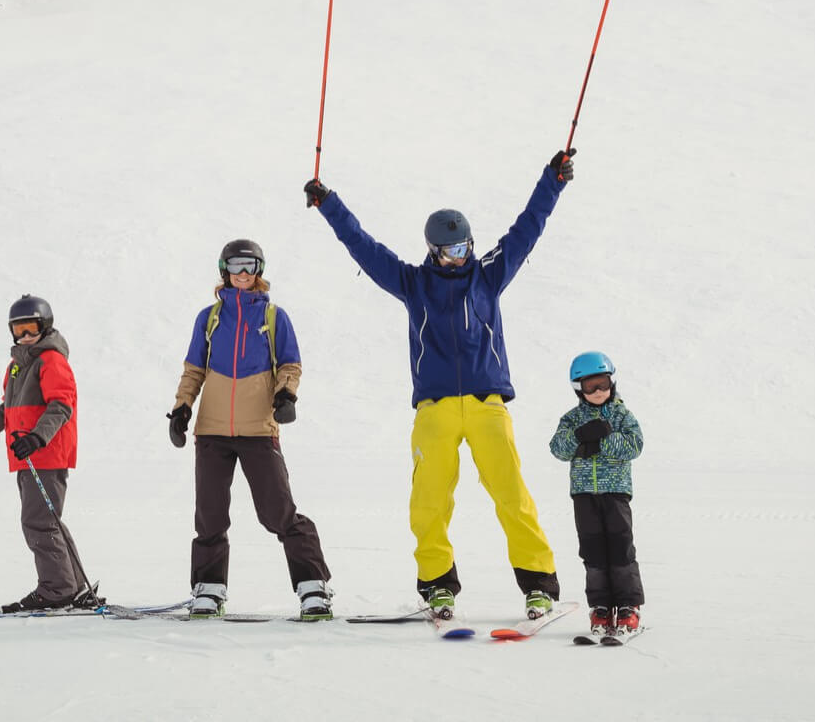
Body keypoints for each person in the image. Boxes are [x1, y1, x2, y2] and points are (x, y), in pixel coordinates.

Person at [303, 148, 575, 620]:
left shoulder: (489, 276)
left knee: (512, 495)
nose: (459, 256)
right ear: (433, 250)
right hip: (435, 410)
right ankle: (437, 586)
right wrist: (329, 204)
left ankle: (538, 584)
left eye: (465, 247)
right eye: (451, 250)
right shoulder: (413, 284)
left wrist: (553, 179)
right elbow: (363, 247)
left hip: (488, 405)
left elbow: (528, 226)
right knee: (429, 501)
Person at [167, 239, 334, 620]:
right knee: (210, 515)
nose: (244, 273)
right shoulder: (208, 318)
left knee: (278, 512)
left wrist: (286, 396)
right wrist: (181, 409)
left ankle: (313, 587)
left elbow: (290, 364)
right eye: (237, 265)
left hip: (259, 428)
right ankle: (208, 590)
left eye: (251, 266)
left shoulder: (274, 317)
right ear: (223, 268)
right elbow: (194, 369)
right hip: (212, 431)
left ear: (259, 271)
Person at [0, 293, 96, 612]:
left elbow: (61, 407)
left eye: (31, 328)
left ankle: (57, 589)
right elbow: (9, 410)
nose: (25, 335)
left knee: (37, 521)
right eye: (18, 330)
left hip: (46, 453)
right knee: (47, 519)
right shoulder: (17, 366)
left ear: (45, 326)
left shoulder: (52, 361)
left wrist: (37, 438)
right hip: (27, 455)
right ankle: (71, 584)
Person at [548, 351, 645, 637]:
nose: (599, 391)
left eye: (603, 383)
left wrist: (604, 437)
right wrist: (580, 436)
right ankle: (600, 607)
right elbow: (557, 449)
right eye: (591, 387)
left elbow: (634, 446)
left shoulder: (621, 415)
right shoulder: (572, 419)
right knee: (592, 550)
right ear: (579, 389)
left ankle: (628, 607)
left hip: (615, 493)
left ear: (612, 382)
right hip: (583, 495)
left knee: (620, 547)